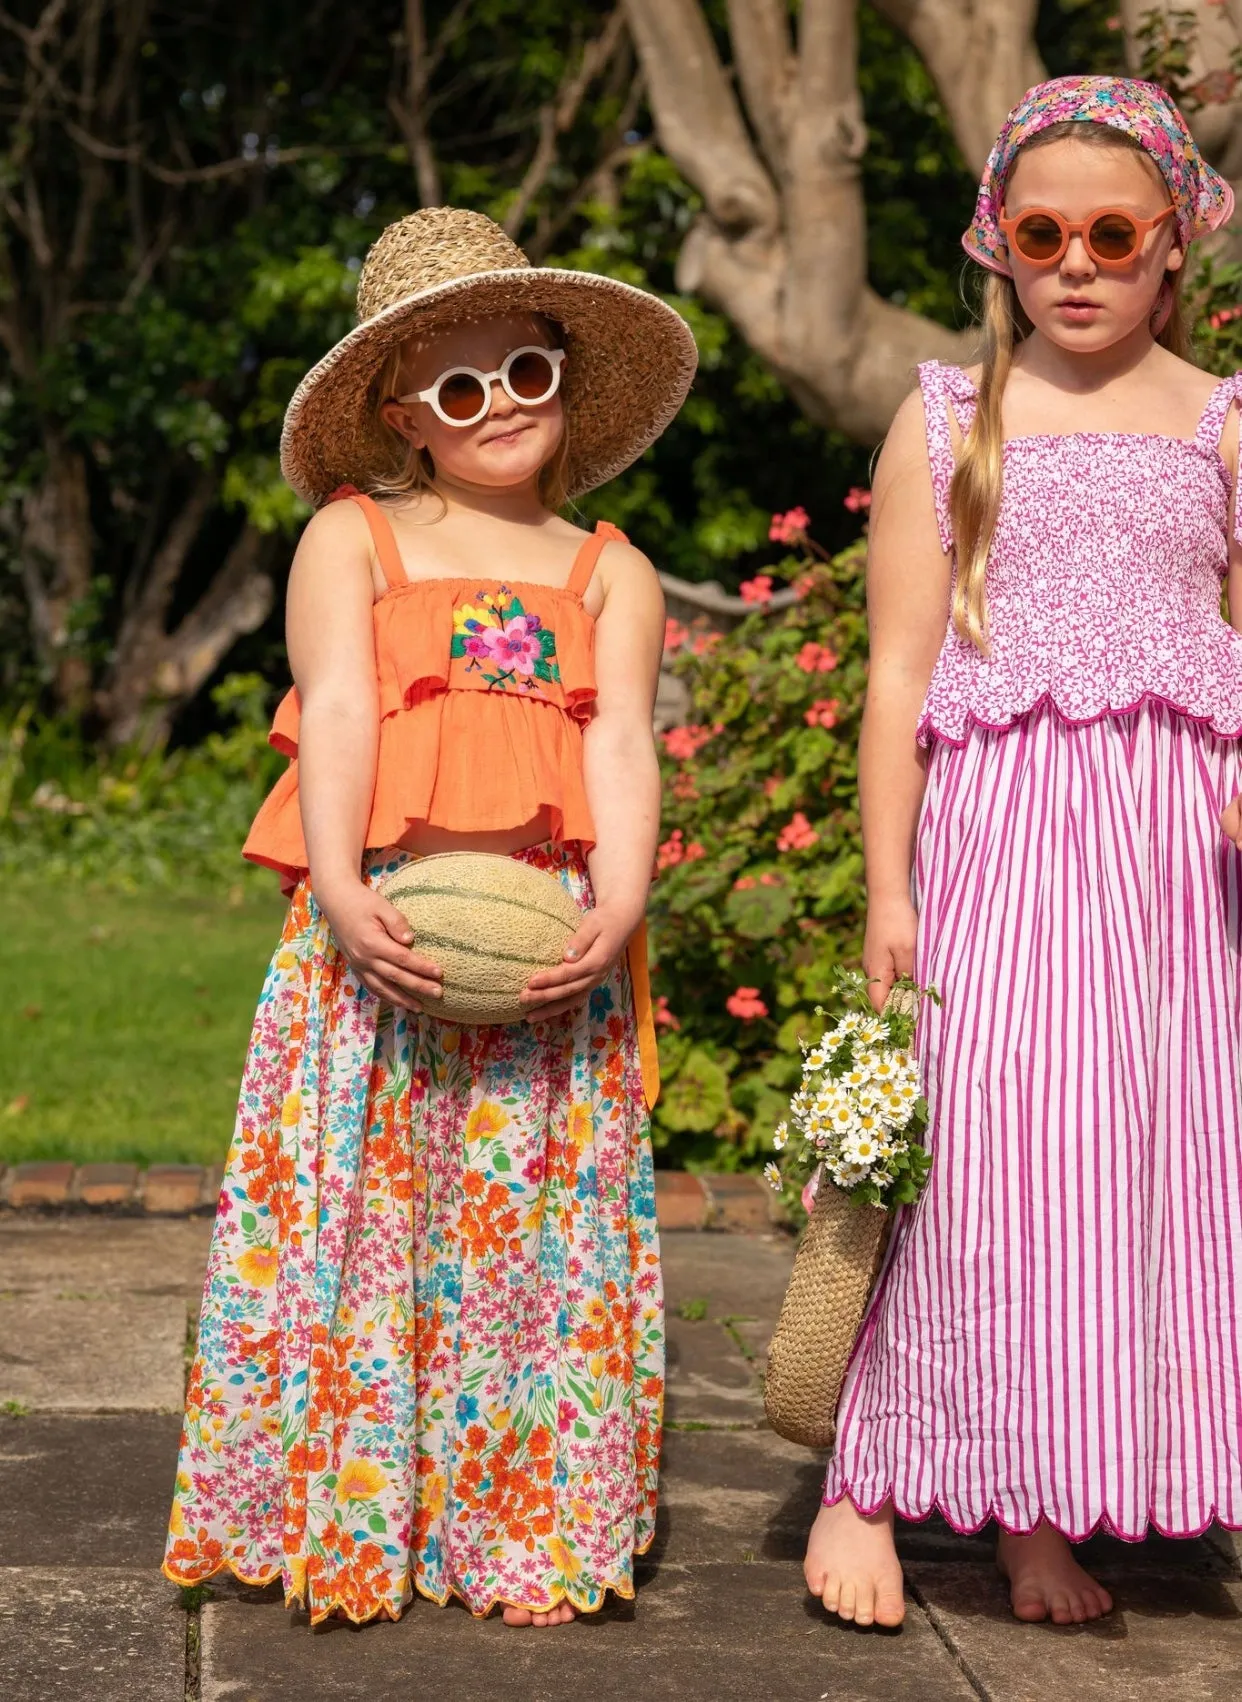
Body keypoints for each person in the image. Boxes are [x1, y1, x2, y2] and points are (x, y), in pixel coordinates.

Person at [161, 206, 697, 1628]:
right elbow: (336, 707)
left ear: (564, 377)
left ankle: (521, 1512)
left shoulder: (609, 573)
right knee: (358, 1229)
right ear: (405, 415)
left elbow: (623, 754)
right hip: (377, 952)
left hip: (543, 970)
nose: (499, 407)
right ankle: (340, 1499)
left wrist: (621, 899)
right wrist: (338, 886)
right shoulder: (356, 543)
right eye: (459, 389)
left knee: (532, 1249)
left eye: (523, 370)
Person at [804, 76, 1242, 1631]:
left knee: (1130, 1166)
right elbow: (899, 679)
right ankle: (876, 1470)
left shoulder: (1222, 424)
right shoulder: (953, 419)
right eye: (1036, 231)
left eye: (1109, 235)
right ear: (997, 244)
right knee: (983, 1158)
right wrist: (887, 886)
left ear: (1171, 248)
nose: (1073, 262)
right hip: (1002, 847)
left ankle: (1045, 1498)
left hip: (1174, 871)